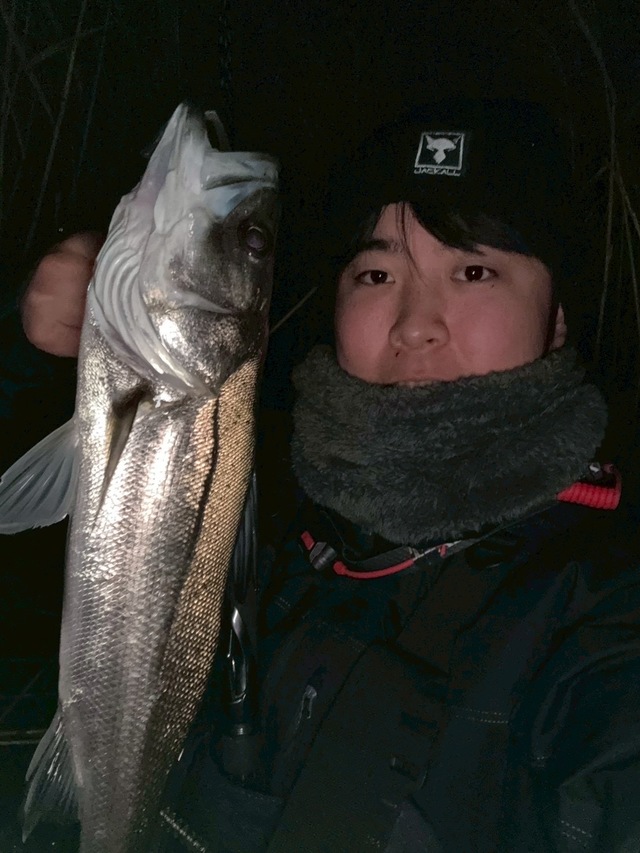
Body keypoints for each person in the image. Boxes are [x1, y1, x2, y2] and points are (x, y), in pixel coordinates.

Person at [17, 99, 640, 852]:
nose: (415, 323)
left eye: (474, 270)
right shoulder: (281, 507)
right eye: (376, 272)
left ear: (559, 315)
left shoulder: (604, 614)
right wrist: (42, 343)